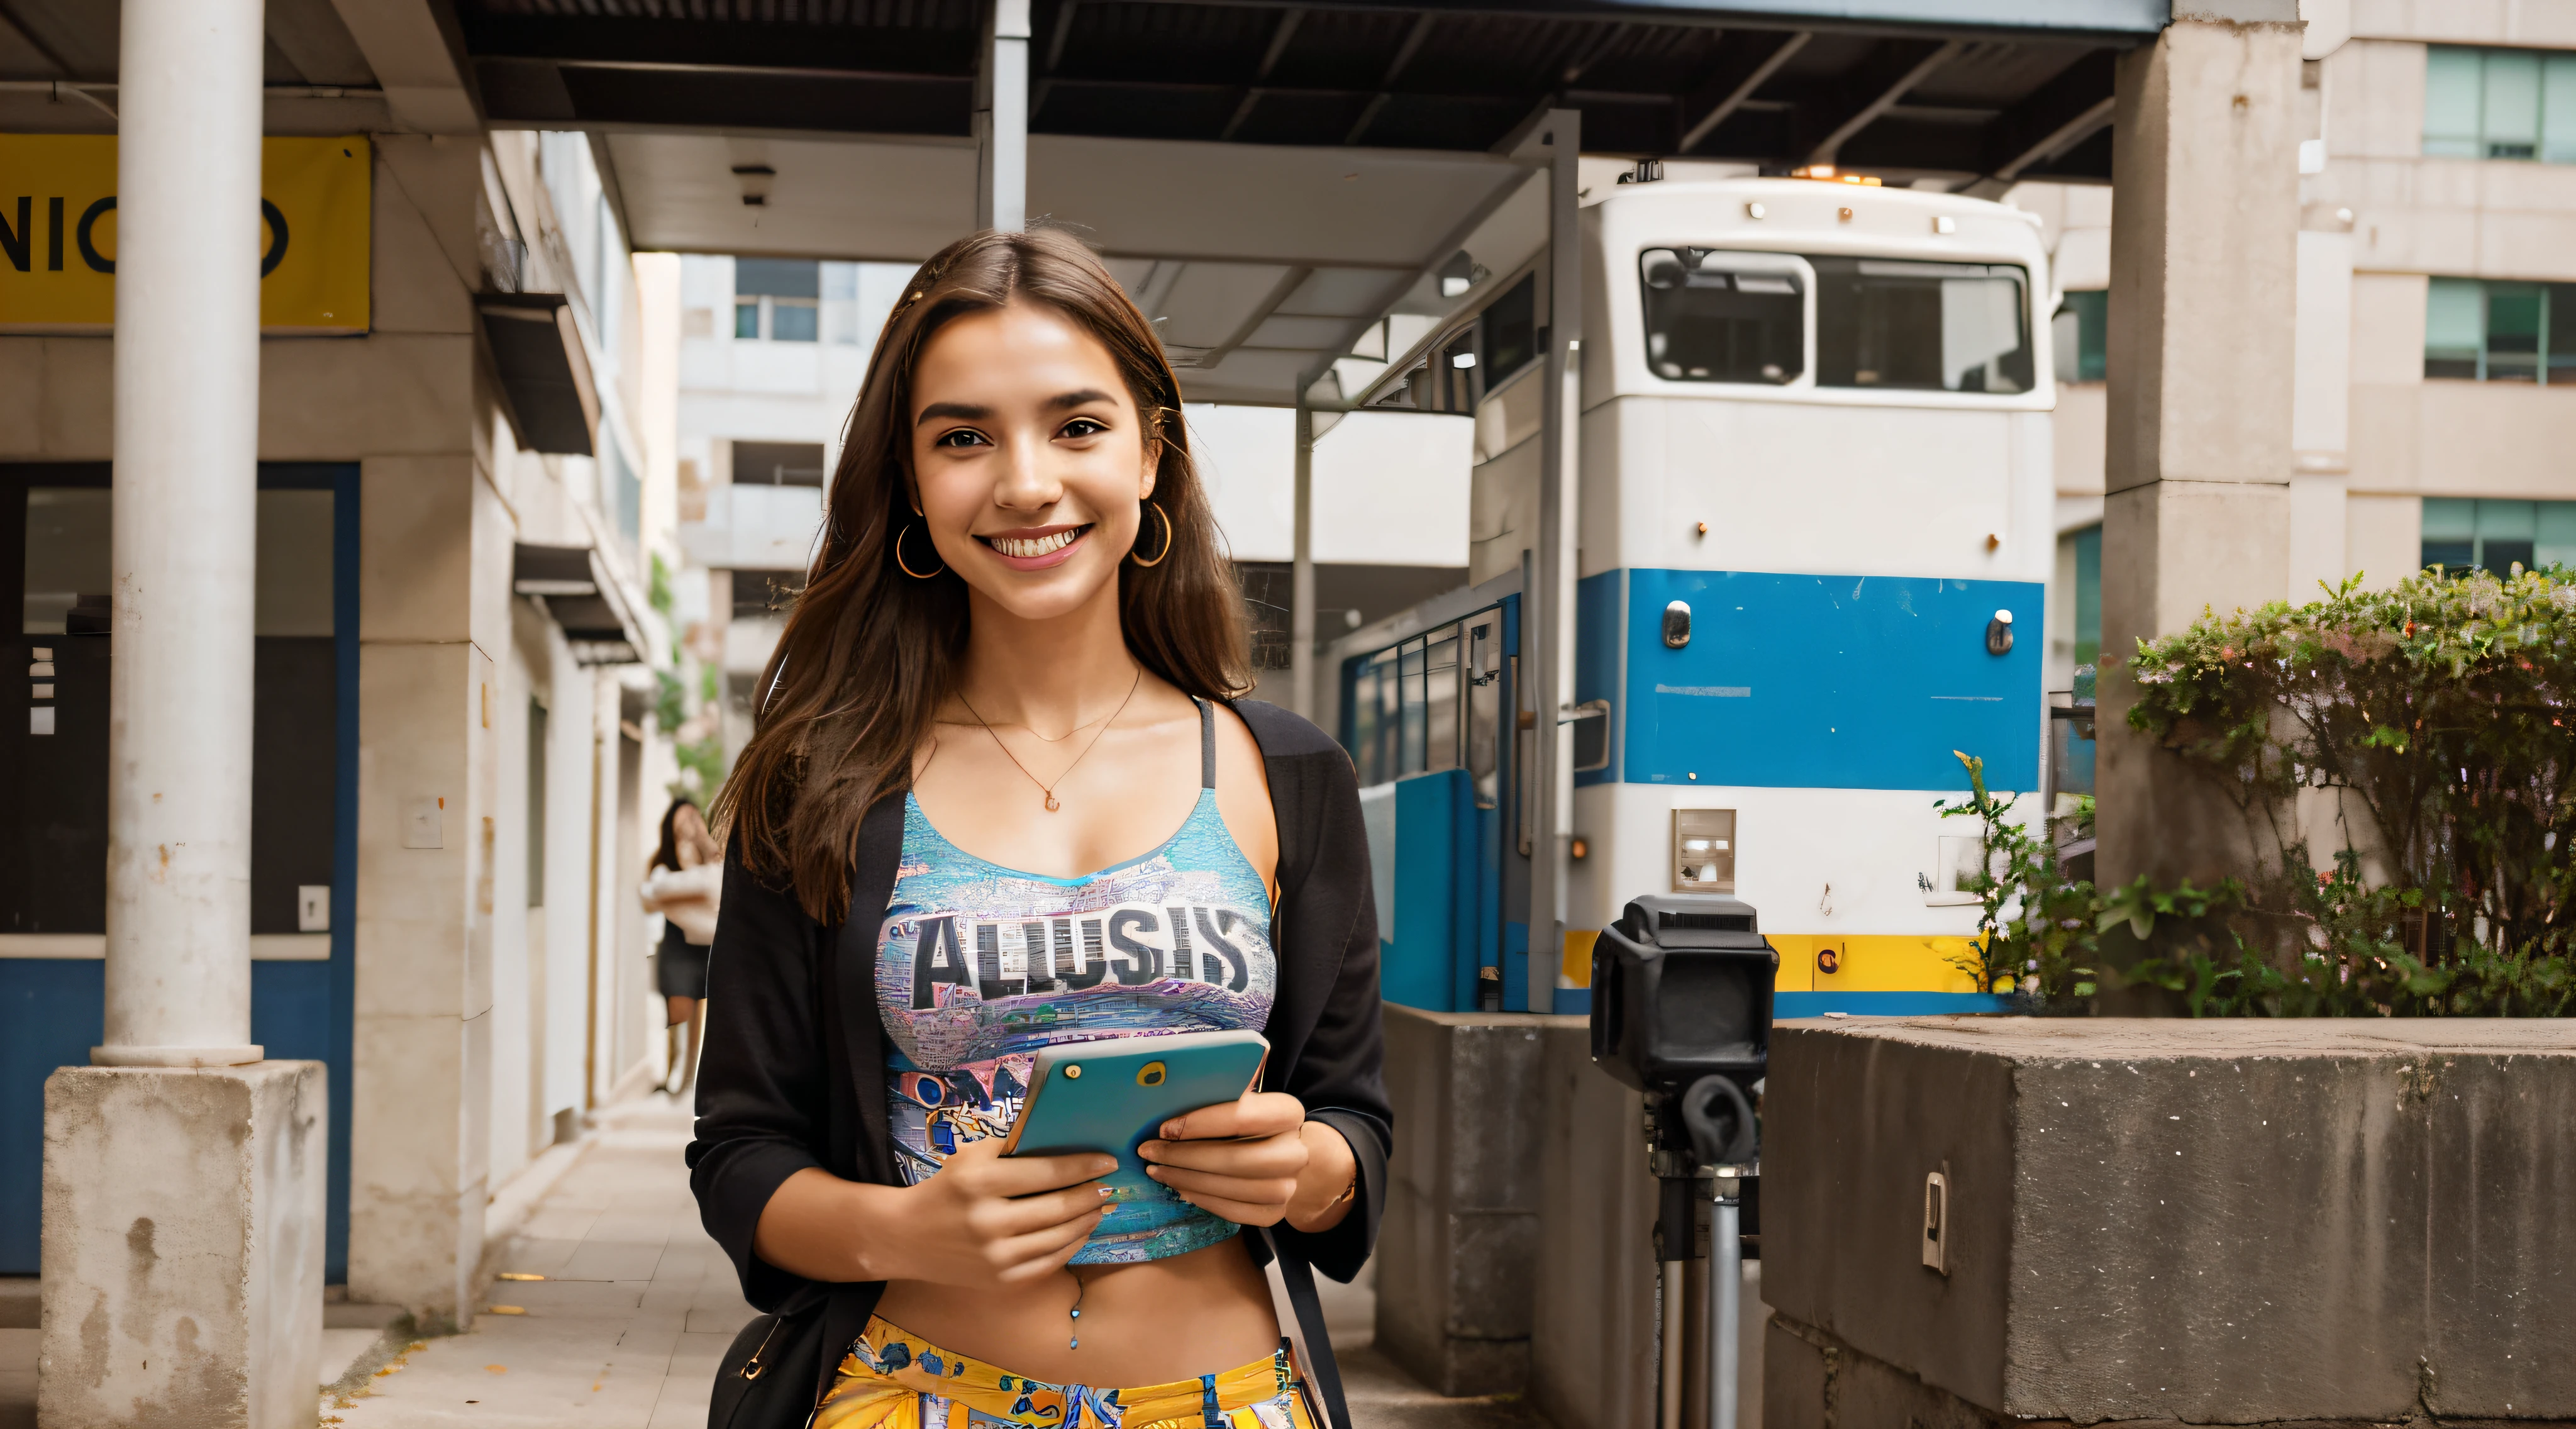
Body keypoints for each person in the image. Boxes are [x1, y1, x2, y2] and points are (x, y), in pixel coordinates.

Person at [688, 228, 1387, 1429]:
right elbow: (740, 1150)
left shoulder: (1289, 776)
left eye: (1077, 426)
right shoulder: (824, 783)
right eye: (963, 437)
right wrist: (897, 1227)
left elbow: (1352, 1119)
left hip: (1221, 1400)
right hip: (910, 1396)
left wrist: (1309, 1170)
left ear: (1151, 453)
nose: (1023, 482)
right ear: (911, 483)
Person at [641, 797, 723, 1094]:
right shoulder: (663, 861)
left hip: (705, 945)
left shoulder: (707, 856)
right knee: (678, 1012)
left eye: (694, 816)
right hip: (677, 946)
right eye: (683, 818)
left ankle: (689, 1078)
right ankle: (672, 1074)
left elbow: (714, 885)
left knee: (699, 1014)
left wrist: (701, 840)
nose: (689, 823)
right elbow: (654, 894)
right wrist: (695, 892)